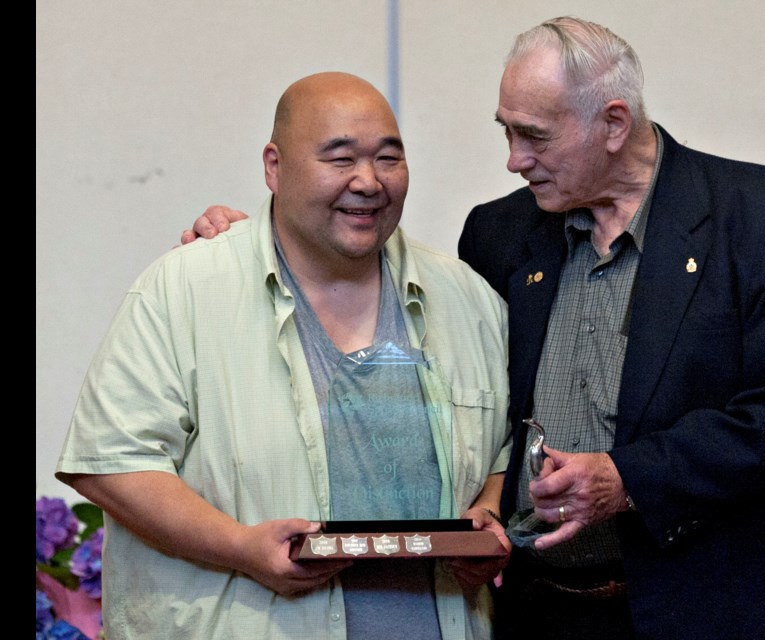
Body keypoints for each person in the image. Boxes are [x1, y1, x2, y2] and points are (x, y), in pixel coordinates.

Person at [185, 16, 765, 640]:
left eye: (535, 136)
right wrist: (262, 241)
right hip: (541, 611)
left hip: (712, 607)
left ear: (613, 123)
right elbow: (423, 334)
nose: (514, 160)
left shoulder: (761, 215)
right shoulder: (500, 232)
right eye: (506, 132)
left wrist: (627, 479)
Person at [56, 71, 512, 640]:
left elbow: (501, 451)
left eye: (388, 158)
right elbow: (111, 462)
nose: (368, 182)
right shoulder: (186, 289)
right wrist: (240, 547)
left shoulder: (469, 300)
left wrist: (488, 516)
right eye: (339, 159)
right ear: (274, 166)